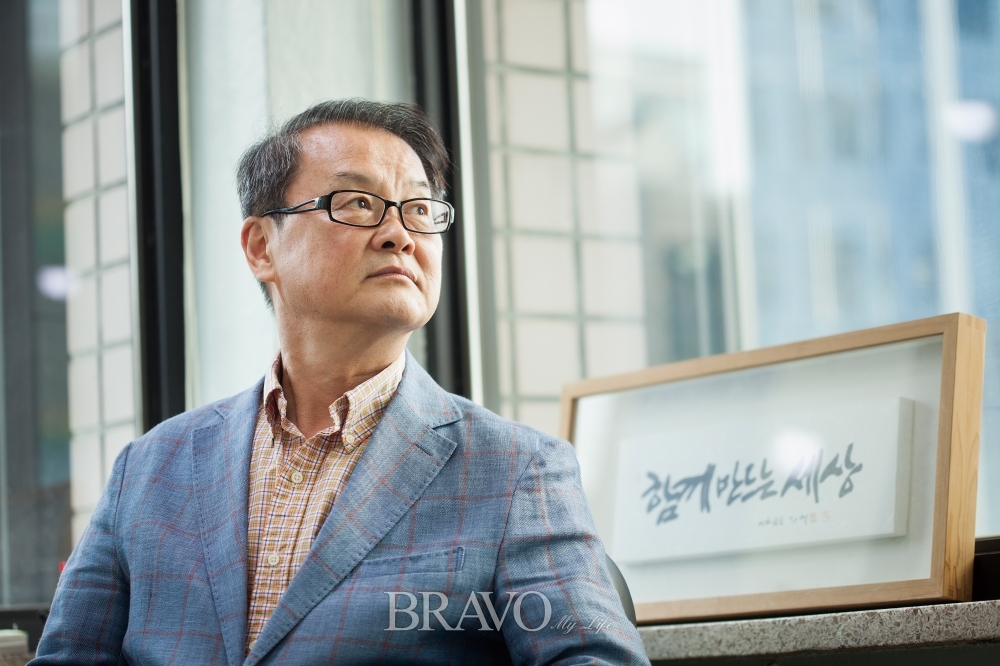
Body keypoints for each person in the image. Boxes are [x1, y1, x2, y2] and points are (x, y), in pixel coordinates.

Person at [31, 99, 649, 665]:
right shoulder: (148, 469)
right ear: (261, 246)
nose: (399, 234)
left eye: (420, 210)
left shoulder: (516, 470)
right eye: (357, 203)